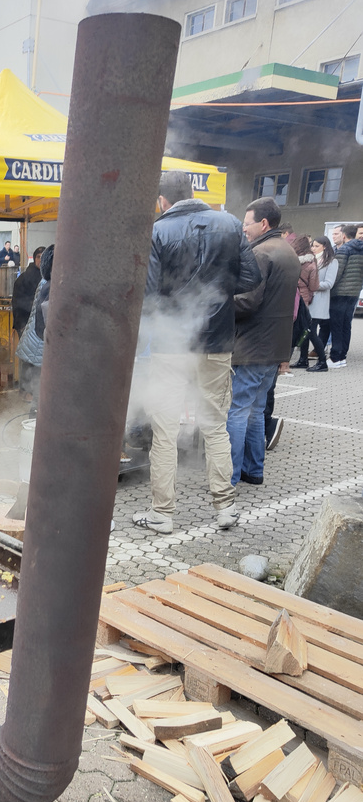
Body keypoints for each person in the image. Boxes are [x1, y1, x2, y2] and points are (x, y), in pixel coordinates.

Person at [131, 170, 262, 534]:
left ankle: (163, 514)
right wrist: (217, 289)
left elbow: (151, 293)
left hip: (172, 346)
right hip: (217, 342)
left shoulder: (158, 230)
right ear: (191, 192)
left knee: (165, 431)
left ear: (163, 200)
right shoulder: (231, 223)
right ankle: (225, 508)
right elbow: (252, 279)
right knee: (215, 425)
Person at [227, 197, 300, 487]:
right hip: (274, 347)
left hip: (253, 346)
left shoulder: (261, 253)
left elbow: (247, 302)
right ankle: (253, 471)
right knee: (256, 411)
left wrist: (219, 302)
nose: (244, 229)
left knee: (237, 411)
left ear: (263, 224)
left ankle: (228, 478)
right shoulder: (288, 251)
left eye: (247, 224)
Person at [15, 247, 53, 413]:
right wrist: (21, 324)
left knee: (34, 372)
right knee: (35, 376)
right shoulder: (47, 284)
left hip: (34, 334)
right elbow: (19, 302)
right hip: (35, 335)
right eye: (37, 256)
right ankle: (27, 392)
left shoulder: (44, 280)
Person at [328, 224, 363, 368]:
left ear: (344, 236)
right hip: (354, 293)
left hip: (340, 292)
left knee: (336, 324)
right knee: (346, 325)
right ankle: (342, 357)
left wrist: (330, 288)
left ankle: (335, 357)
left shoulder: (344, 249)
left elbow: (337, 272)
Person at [289, 235, 325, 372]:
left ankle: (302, 360)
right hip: (304, 301)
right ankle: (322, 361)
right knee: (309, 331)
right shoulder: (311, 264)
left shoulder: (290, 260)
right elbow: (314, 286)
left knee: (296, 330)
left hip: (291, 297)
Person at [307, 235, 337, 359]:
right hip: (308, 299)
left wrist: (312, 285)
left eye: (316, 246)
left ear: (324, 247)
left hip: (319, 300)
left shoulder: (331, 261)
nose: (313, 248)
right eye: (312, 246)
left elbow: (329, 283)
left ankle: (321, 358)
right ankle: (303, 359)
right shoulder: (311, 260)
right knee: (306, 330)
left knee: (311, 331)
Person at [12, 246, 45, 337]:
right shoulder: (24, 278)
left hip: (43, 325)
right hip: (25, 323)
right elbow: (18, 302)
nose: (41, 260)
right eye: (38, 257)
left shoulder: (49, 278)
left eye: (43, 257)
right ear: (34, 259)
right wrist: (21, 326)